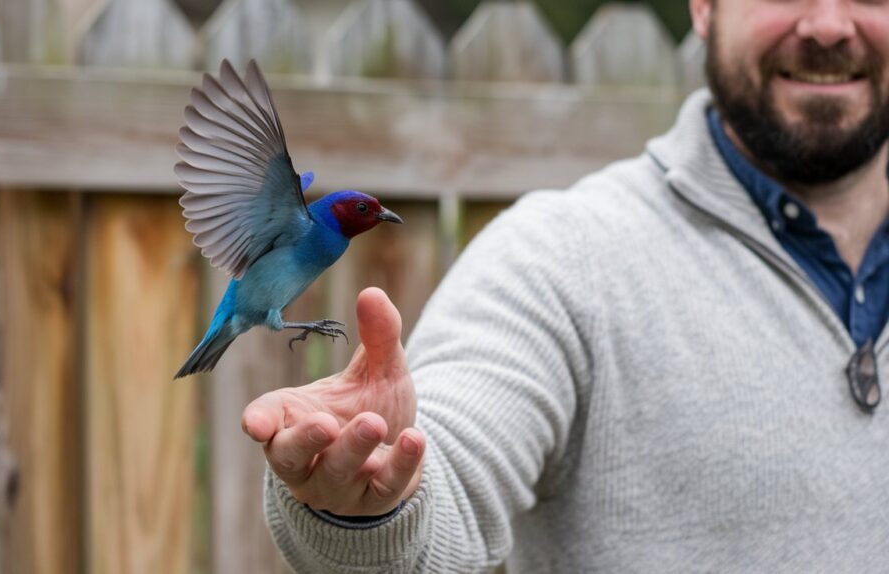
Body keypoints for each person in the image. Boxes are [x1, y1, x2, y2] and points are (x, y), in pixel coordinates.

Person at [241, 0, 889, 571]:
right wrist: (369, 500)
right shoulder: (560, 258)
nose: (829, 25)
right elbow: (451, 465)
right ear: (703, 6)